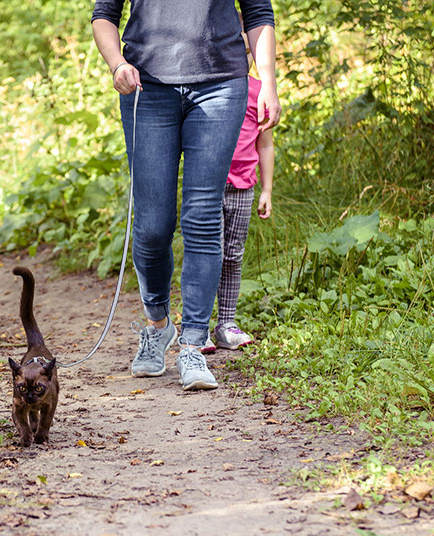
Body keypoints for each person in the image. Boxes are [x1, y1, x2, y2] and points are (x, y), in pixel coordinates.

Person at [91, 1, 280, 390]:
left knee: (203, 213)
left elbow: (259, 14)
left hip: (221, 85)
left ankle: (194, 343)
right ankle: (158, 324)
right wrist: (116, 64)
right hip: (147, 87)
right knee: (153, 224)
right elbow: (103, 16)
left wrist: (269, 85)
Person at [201, 28, 275, 353]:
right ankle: (198, 326)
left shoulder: (259, 92)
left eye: (246, 52)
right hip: (210, 184)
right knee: (208, 252)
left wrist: (267, 190)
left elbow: (267, 145)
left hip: (244, 186)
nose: (239, 58)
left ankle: (226, 323)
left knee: (233, 254)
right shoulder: (207, 94)